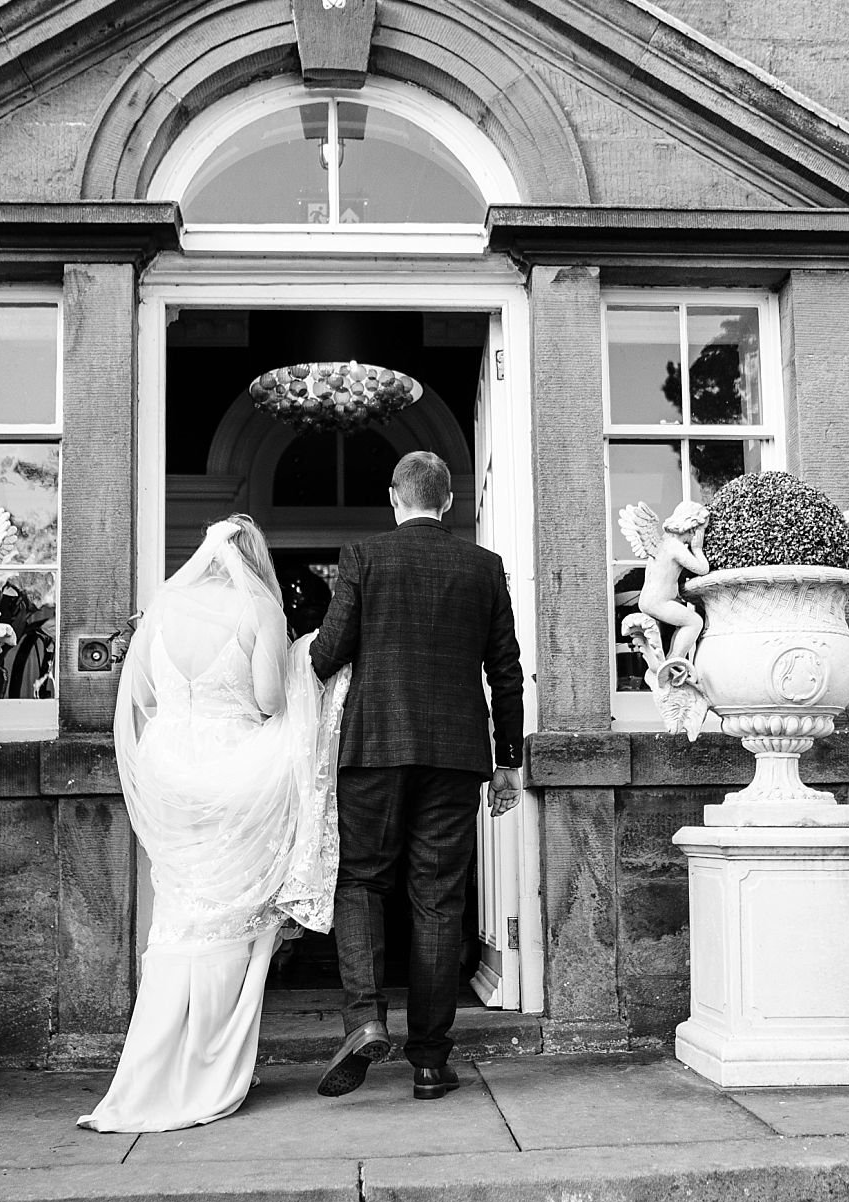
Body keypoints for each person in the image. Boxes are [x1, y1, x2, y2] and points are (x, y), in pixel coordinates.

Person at [78, 515, 350, 1133]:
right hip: (237, 775)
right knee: (233, 921)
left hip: (170, 773)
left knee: (179, 917)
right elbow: (270, 702)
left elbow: (143, 695)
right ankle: (211, 1068)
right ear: (255, 561)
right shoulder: (258, 607)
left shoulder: (164, 604)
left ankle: (150, 1072)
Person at [309, 450, 525, 1102]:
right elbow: (506, 672)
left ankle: (366, 1019)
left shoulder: (363, 556)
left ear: (395, 499)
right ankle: (430, 1062)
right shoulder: (484, 567)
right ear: (450, 501)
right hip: (457, 755)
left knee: (362, 884)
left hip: (373, 748)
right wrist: (508, 763)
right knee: (439, 900)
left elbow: (328, 653)